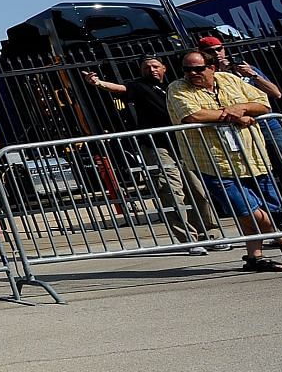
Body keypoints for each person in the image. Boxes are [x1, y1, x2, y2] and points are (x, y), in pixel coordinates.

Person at [166, 50, 282, 271]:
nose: (192, 73)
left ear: (211, 67)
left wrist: (242, 107)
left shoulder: (229, 79)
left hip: (252, 157)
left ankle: (255, 256)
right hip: (214, 162)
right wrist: (235, 116)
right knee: (246, 209)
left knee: (264, 208)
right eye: (187, 69)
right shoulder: (178, 88)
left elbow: (263, 103)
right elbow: (193, 115)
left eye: (198, 69)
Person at [197, 36, 282, 240]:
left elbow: (276, 94)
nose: (216, 53)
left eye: (219, 49)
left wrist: (253, 75)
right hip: (241, 133)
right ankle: (278, 229)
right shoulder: (207, 77)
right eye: (210, 51)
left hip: (268, 127)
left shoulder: (243, 68)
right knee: (260, 181)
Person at [84, 56, 218, 250]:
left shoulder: (178, 85)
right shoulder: (139, 86)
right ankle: (189, 239)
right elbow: (119, 89)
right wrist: (97, 82)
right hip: (156, 144)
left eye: (155, 66)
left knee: (198, 189)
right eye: (146, 67)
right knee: (171, 190)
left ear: (164, 67)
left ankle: (209, 233)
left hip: (184, 142)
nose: (151, 69)